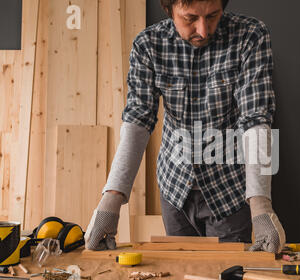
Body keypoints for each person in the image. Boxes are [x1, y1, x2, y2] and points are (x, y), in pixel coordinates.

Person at [84, 0, 286, 253]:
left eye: (213, 16)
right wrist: (111, 201)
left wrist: (261, 204)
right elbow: (138, 119)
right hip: (175, 186)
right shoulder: (149, 44)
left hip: (231, 188)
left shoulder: (251, 35)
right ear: (168, 10)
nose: (203, 30)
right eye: (190, 19)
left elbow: (257, 119)